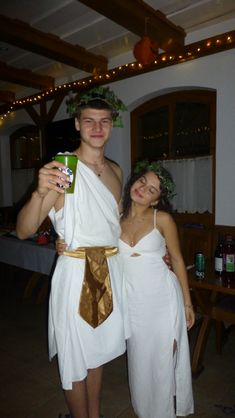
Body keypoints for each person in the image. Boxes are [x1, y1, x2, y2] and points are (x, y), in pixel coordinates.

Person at [16, 86, 130, 418]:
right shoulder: (64, 169)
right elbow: (24, 229)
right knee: (74, 357)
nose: (97, 128)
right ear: (77, 125)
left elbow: (114, 224)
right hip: (77, 274)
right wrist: (40, 193)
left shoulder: (116, 171)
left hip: (109, 272)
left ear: (111, 126)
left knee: (97, 354)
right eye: (89, 121)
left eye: (104, 121)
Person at [119, 160, 195, 418]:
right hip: (134, 302)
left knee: (162, 361)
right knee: (139, 362)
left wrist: (187, 303)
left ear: (155, 200)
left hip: (163, 299)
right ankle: (144, 410)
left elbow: (177, 260)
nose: (143, 188)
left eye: (152, 189)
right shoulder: (113, 216)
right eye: (143, 181)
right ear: (134, 180)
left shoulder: (162, 219)